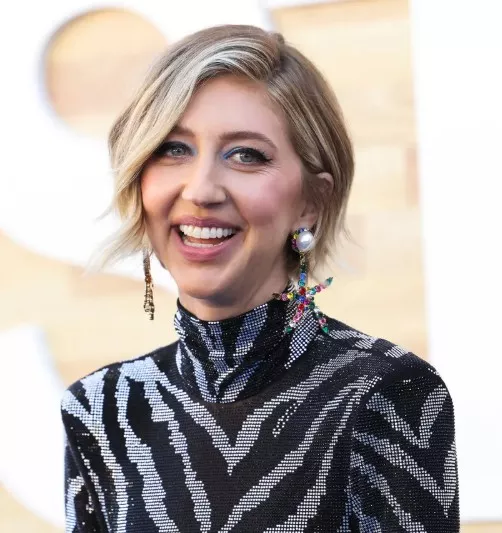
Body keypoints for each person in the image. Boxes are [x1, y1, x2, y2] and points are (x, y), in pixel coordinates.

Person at [61, 24, 459, 532]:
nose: (201, 190)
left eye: (245, 155)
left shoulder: (386, 393)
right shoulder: (101, 409)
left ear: (311, 202)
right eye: (173, 149)